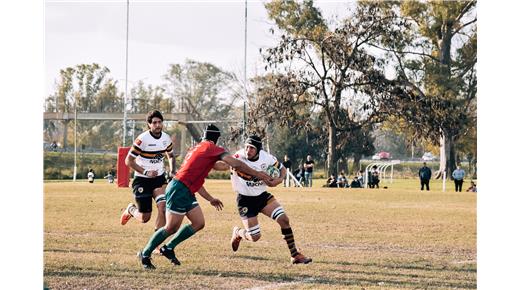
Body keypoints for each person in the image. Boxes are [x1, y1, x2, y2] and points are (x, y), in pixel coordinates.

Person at [136, 125, 272, 269]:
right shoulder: (211, 148)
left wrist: (210, 199)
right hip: (179, 190)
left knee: (198, 222)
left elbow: (215, 168)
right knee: (171, 227)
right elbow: (233, 163)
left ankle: (168, 248)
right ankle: (145, 254)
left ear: (204, 136)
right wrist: (257, 173)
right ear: (216, 139)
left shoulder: (199, 148)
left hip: (186, 190)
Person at [214, 135, 312, 264]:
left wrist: (279, 180)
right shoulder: (239, 156)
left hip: (262, 197)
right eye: (247, 147)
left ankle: (295, 255)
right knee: (255, 237)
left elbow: (281, 168)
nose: (248, 150)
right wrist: (210, 161)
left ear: (258, 150)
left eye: (252, 148)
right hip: (245, 200)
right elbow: (223, 166)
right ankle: (238, 232)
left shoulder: (267, 158)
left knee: (284, 220)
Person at [120, 110, 176, 235]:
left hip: (158, 179)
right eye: (154, 123)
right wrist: (146, 172)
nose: (157, 125)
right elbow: (128, 161)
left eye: (160, 122)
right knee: (145, 218)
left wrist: (172, 171)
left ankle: (156, 244)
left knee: (163, 208)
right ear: (149, 124)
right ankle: (131, 209)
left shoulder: (166, 138)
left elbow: (171, 156)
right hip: (142, 180)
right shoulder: (142, 139)